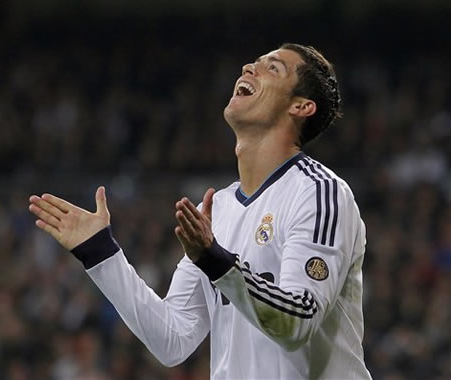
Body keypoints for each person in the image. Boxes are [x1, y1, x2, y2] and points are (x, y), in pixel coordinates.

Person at [29, 43, 372, 379]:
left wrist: (215, 260)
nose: (248, 68)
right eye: (254, 62)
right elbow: (172, 340)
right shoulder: (217, 210)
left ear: (301, 106)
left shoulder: (318, 192)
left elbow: (298, 322)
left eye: (272, 67)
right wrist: (100, 252)